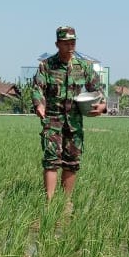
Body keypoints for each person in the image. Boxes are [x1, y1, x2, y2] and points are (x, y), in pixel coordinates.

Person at [32, 25, 107, 202]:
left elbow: (97, 89)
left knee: (71, 161)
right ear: (57, 44)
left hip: (74, 121)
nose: (70, 46)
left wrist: (102, 106)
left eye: (73, 42)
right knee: (51, 159)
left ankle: (66, 202)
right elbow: (37, 88)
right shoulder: (47, 66)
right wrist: (39, 105)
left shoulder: (84, 67)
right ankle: (49, 203)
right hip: (52, 119)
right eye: (66, 43)